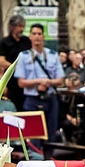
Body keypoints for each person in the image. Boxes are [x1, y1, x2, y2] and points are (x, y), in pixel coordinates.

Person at [13, 23, 62, 154]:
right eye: (34, 34)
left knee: (51, 135)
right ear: (30, 36)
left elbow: (60, 79)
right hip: (32, 99)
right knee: (33, 137)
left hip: (50, 98)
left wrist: (48, 83)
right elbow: (21, 82)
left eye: (39, 34)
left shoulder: (53, 55)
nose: (37, 37)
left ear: (43, 36)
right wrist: (38, 82)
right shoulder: (23, 56)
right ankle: (34, 164)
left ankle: (50, 164)